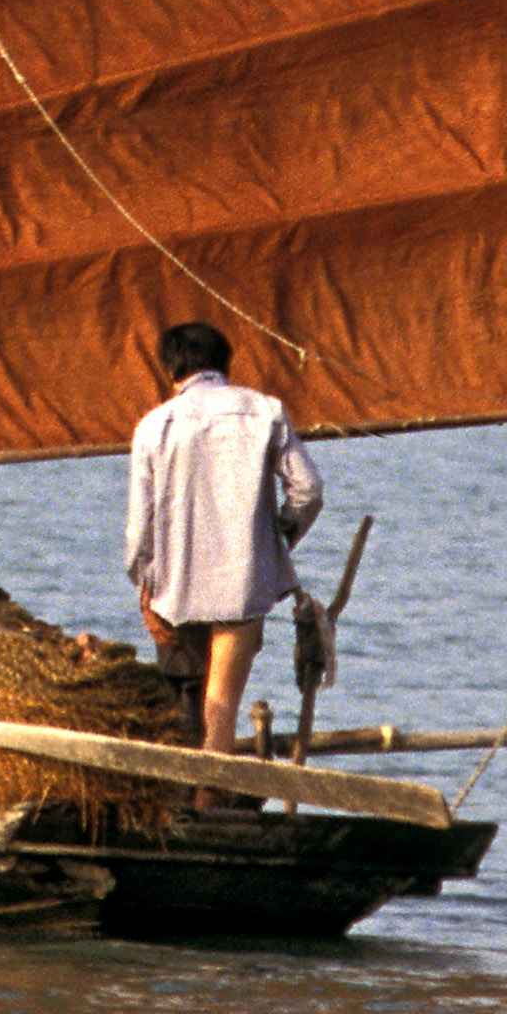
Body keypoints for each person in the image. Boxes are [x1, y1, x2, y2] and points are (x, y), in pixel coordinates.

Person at [123, 319, 323, 752]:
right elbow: (307, 491)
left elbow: (141, 530)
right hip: (242, 584)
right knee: (222, 707)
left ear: (170, 371)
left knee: (185, 707)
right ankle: (210, 801)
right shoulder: (265, 411)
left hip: (173, 590)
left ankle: (189, 803)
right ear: (225, 363)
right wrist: (275, 541)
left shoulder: (154, 426)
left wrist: (143, 578)